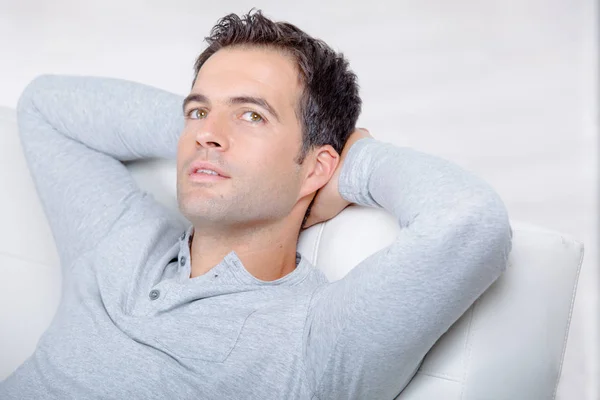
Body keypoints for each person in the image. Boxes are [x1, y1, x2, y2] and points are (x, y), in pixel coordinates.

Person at [0, 9, 513, 400]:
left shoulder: (316, 339)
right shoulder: (120, 239)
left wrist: (348, 168)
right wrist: (209, 130)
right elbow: (46, 105)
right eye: (197, 110)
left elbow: (467, 220)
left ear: (316, 166)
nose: (207, 134)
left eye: (252, 117)